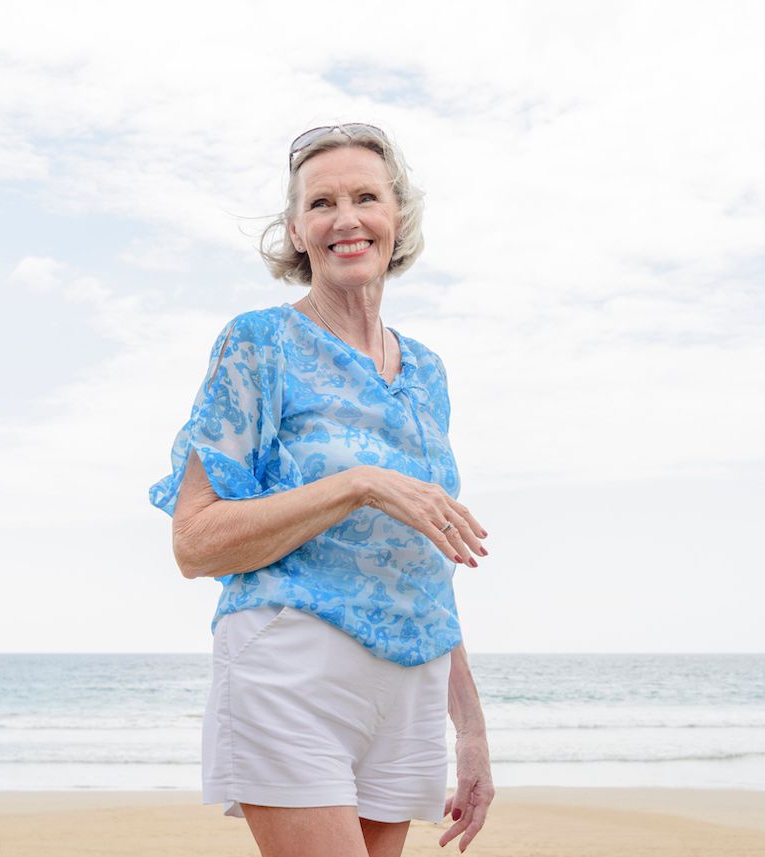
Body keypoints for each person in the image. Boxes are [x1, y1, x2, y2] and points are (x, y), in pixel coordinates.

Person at [148, 123, 494, 857]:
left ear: (396, 217)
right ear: (297, 231)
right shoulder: (259, 343)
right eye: (322, 203)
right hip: (294, 663)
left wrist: (472, 729)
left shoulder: (427, 371)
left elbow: (428, 558)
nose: (346, 218)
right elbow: (194, 541)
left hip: (410, 683)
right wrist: (358, 484)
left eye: (365, 197)